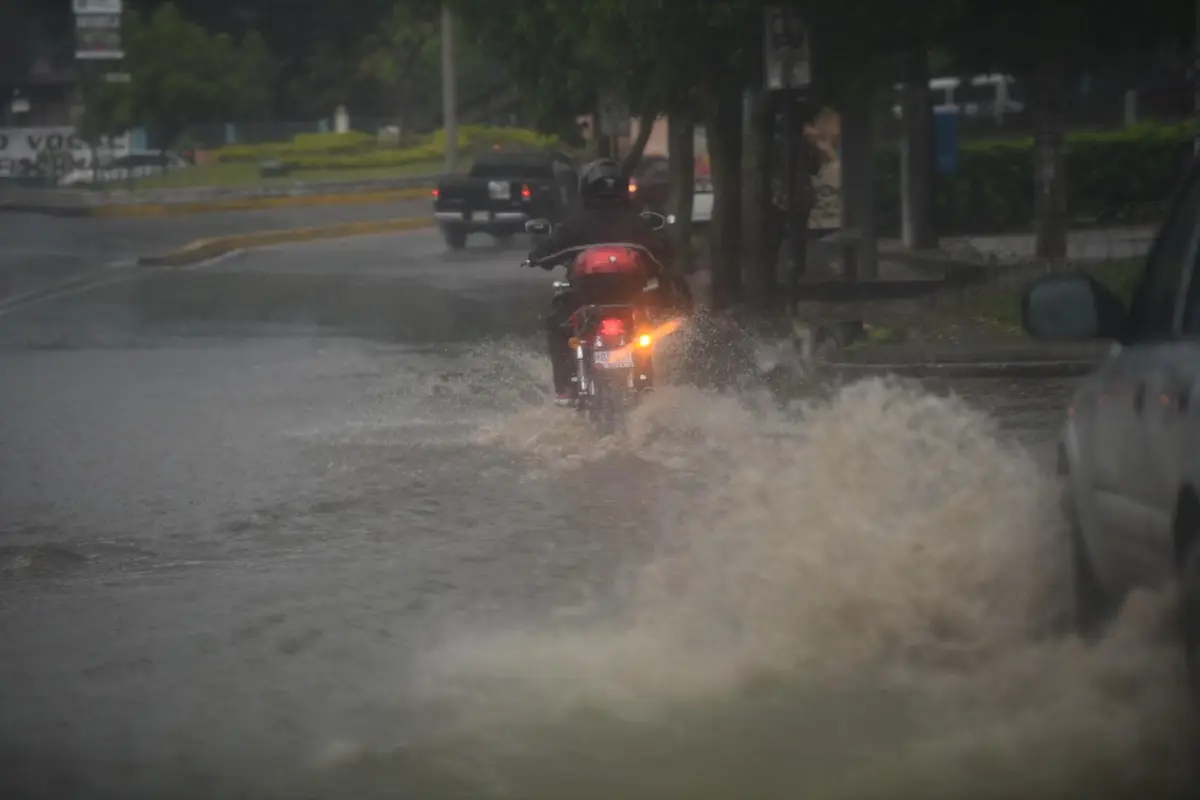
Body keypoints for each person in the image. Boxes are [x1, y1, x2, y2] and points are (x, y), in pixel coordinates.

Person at [525, 158, 691, 405]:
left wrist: (534, 257)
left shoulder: (576, 223)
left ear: (586, 188)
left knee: (557, 324)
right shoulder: (638, 223)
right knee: (647, 327)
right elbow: (664, 257)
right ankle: (645, 384)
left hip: (586, 297)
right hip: (631, 298)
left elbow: (545, 255)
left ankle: (566, 389)